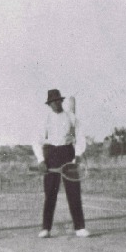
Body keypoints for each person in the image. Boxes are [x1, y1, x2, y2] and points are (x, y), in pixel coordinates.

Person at [32, 89, 89, 238]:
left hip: (67, 154)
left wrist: (77, 157)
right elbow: (36, 141)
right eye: (53, 102)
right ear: (49, 104)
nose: (56, 104)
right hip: (51, 155)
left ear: (61, 101)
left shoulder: (71, 117)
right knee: (50, 193)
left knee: (74, 193)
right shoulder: (44, 119)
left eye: (58, 101)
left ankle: (80, 227)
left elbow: (80, 138)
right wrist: (41, 160)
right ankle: (46, 228)